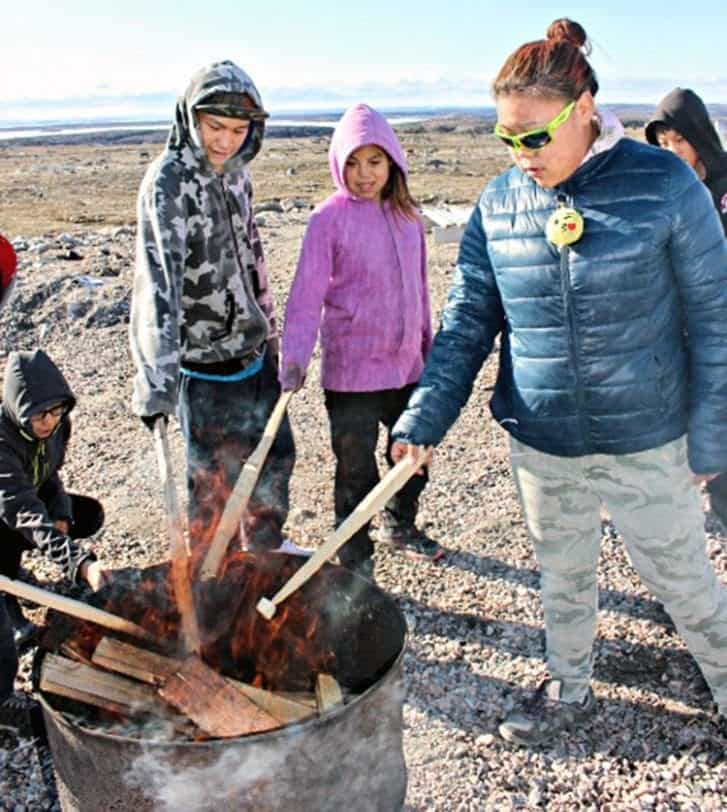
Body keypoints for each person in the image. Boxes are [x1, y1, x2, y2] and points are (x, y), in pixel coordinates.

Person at [392, 18, 727, 746]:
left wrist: (711, 436)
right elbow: (465, 325)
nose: (520, 156)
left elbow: (714, 318)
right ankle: (567, 685)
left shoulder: (663, 184)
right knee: (562, 575)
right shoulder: (499, 204)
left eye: (533, 137)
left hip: (647, 434)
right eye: (505, 139)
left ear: (583, 112)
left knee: (684, 582)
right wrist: (423, 420)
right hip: (543, 440)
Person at [130, 60, 298, 558]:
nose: (225, 141)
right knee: (211, 480)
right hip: (202, 368)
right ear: (191, 119)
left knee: (272, 457)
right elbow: (158, 285)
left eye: (238, 129)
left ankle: (264, 550)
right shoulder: (168, 184)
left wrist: (270, 332)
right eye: (215, 127)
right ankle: (211, 570)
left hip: (251, 352)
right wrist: (156, 383)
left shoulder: (238, 178)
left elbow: (254, 255)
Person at [279, 103, 441, 579]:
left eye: (375, 161)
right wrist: (293, 358)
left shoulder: (408, 217)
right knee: (355, 470)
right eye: (352, 162)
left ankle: (399, 524)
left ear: (393, 161)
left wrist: (427, 348)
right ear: (337, 163)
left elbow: (422, 290)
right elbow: (305, 296)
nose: (364, 174)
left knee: (414, 457)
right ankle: (354, 553)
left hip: (407, 367)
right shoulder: (327, 219)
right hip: (352, 373)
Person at [645, 89, 727, 526]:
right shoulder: (664, 194)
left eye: (678, 140)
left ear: (698, 135)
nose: (671, 152)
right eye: (662, 144)